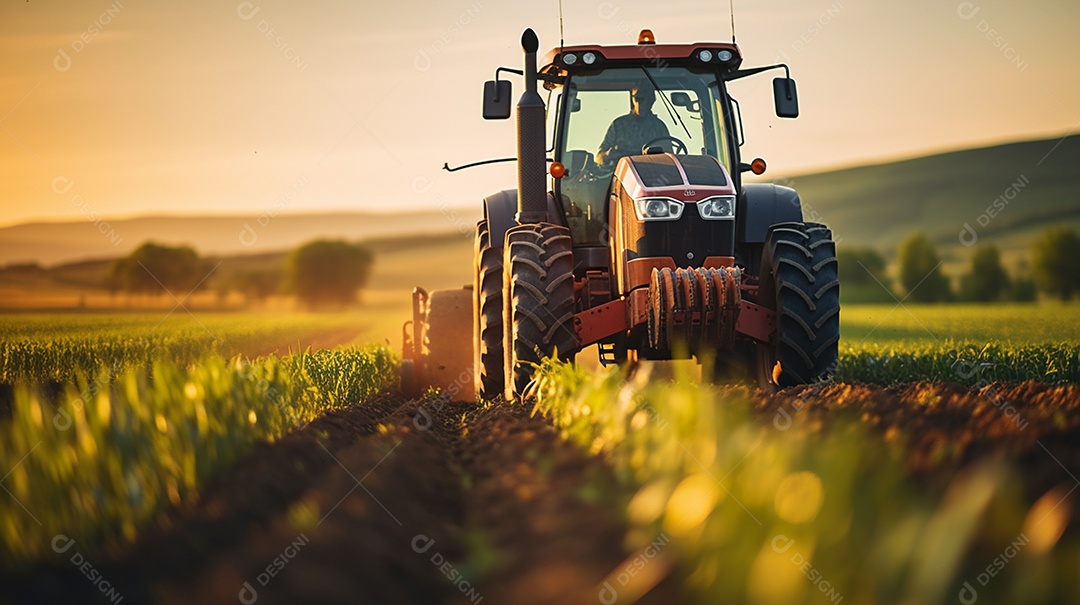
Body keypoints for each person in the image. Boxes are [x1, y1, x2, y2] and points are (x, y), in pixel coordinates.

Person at [594, 84, 670, 168]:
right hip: (622, 174)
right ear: (632, 99)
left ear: (652, 100)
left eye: (644, 99)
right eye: (637, 98)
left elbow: (669, 158)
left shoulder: (659, 127)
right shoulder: (619, 125)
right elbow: (599, 157)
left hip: (651, 174)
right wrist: (608, 154)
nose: (639, 103)